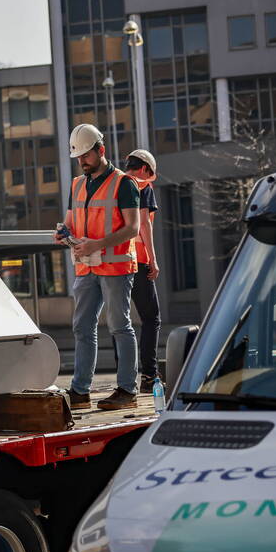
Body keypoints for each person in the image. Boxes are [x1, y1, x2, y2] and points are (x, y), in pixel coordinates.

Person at [55, 124, 141, 411]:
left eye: (86, 156)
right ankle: (80, 391)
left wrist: (97, 244)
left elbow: (132, 228)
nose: (81, 162)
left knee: (119, 326)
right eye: (78, 157)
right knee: (82, 327)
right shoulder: (78, 184)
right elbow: (71, 220)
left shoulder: (124, 183)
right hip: (86, 267)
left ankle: (127, 390)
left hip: (115, 267)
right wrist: (63, 231)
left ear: (101, 151)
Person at [124, 150, 163, 393]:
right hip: (137, 261)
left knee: (121, 322)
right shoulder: (142, 185)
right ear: (145, 169)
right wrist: (153, 259)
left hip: (113, 262)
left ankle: (124, 381)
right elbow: (144, 223)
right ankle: (149, 377)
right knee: (151, 318)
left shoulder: (114, 183)